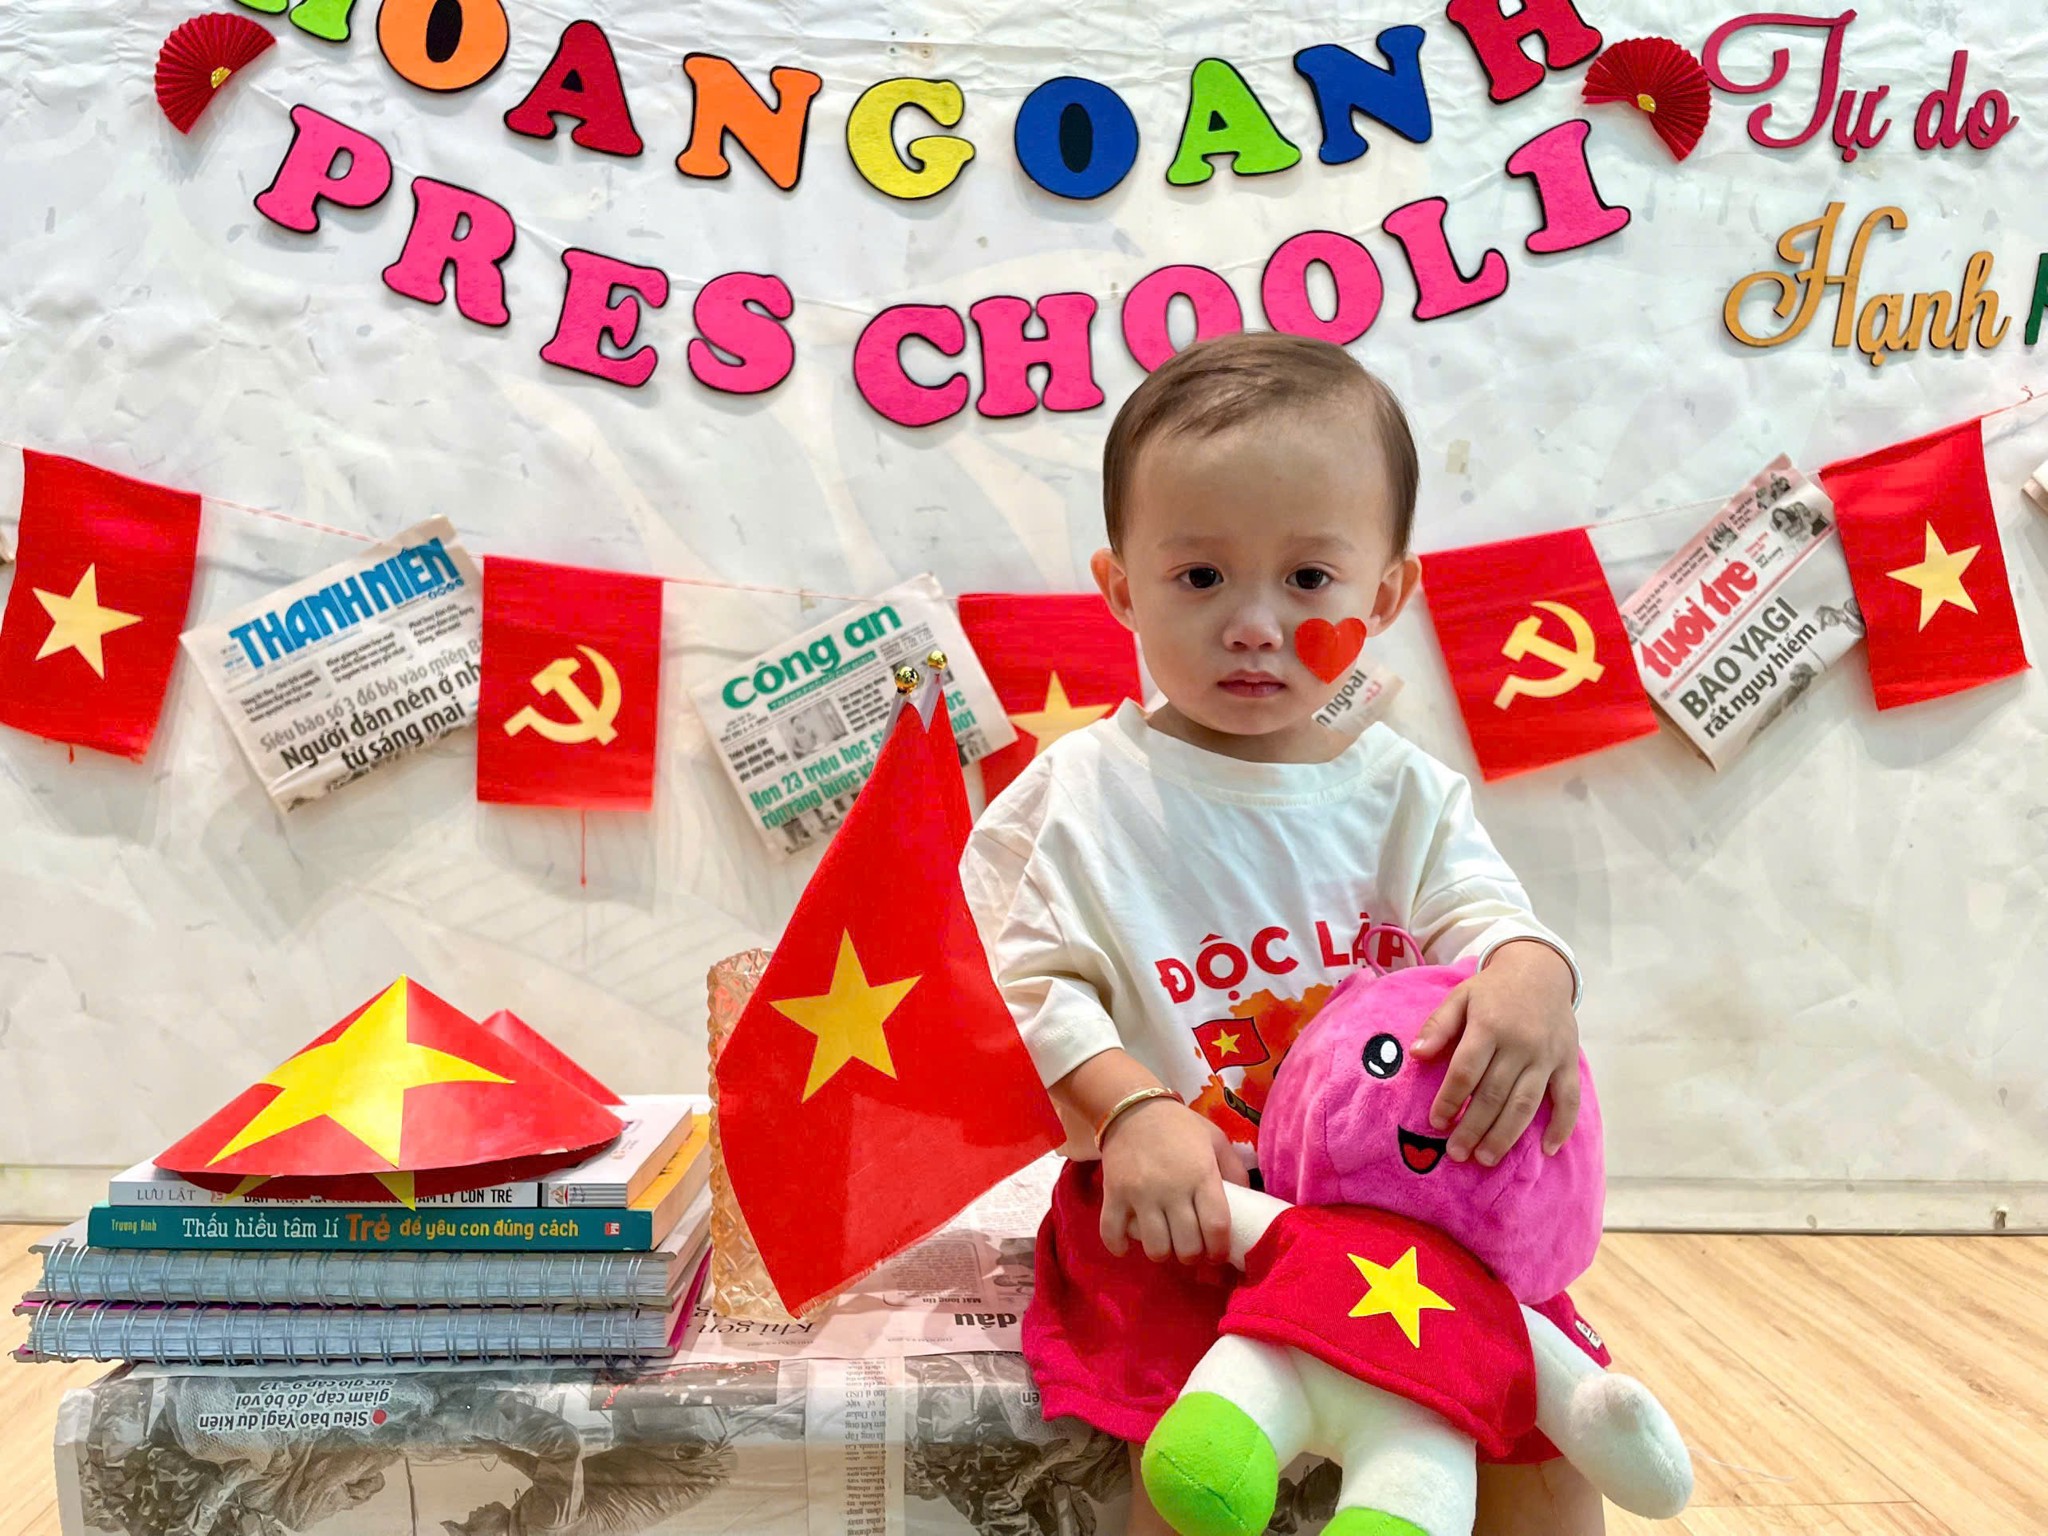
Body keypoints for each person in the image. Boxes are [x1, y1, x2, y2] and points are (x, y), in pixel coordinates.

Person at [963, 332, 1607, 1536]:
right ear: (1120, 588)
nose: (1254, 624)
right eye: (1199, 576)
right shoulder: (1080, 793)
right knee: (1187, 1468)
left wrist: (1531, 970)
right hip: (1187, 1219)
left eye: (1308, 579)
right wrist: (1130, 1110)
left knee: (1536, 1435)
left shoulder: (1400, 791)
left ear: (1384, 596)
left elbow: (1483, 917)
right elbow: (1026, 984)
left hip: (1395, 1230)